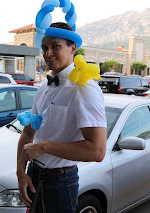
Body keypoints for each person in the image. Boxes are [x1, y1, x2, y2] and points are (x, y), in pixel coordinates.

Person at [16, 22, 107, 213]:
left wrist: (44, 146)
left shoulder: (84, 88)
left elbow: (97, 151)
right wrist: (20, 172)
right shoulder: (43, 88)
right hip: (34, 175)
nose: (48, 53)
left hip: (60, 183)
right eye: (44, 48)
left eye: (55, 46)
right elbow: (27, 133)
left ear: (73, 48)